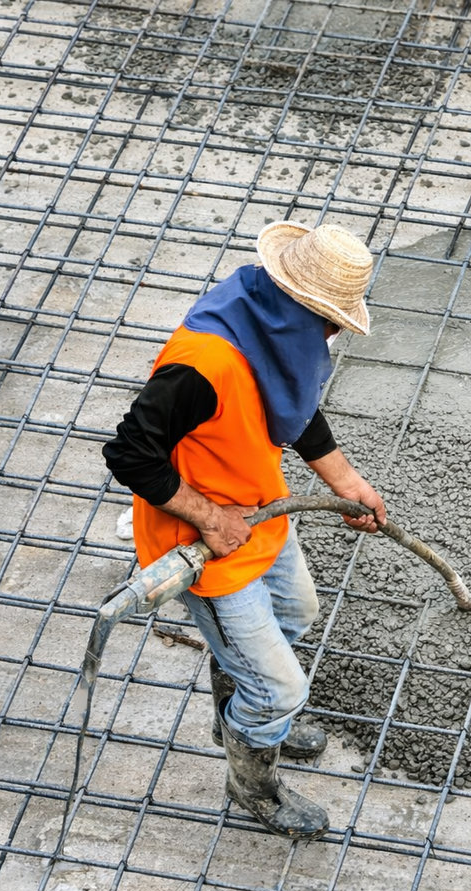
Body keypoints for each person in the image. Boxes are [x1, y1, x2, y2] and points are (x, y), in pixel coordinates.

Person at [102, 221, 387, 840]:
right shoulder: (203, 364)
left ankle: (242, 713)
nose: (335, 334)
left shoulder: (269, 328)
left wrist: (347, 482)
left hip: (259, 512)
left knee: (296, 613)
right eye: (332, 322)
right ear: (300, 306)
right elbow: (128, 453)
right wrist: (209, 517)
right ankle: (253, 786)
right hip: (203, 542)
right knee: (280, 691)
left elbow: (295, 407)